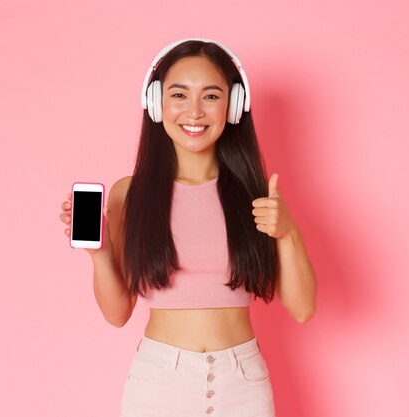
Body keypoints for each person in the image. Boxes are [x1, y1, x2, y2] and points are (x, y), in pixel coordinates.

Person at [59, 38, 317, 417]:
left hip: (242, 384)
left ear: (233, 107)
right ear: (156, 102)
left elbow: (303, 308)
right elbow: (117, 314)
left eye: (211, 96)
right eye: (179, 94)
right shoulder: (128, 194)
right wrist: (99, 254)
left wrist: (288, 232)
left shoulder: (258, 195)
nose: (194, 111)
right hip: (159, 383)